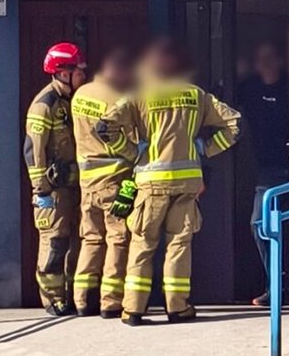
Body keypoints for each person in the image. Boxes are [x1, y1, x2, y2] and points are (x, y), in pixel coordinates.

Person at [98, 38, 243, 325]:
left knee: (142, 244)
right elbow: (234, 125)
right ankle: (177, 307)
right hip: (187, 183)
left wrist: (132, 152)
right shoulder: (196, 94)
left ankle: (133, 310)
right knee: (179, 245)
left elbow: (104, 126)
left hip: (150, 182)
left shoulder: (138, 94)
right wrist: (205, 149)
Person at [69, 45, 137, 318]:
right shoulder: (118, 100)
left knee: (91, 239)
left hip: (87, 182)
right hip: (114, 180)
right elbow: (130, 140)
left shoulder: (80, 95)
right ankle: (110, 302)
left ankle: (82, 300)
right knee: (118, 238)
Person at [25, 42, 87, 316]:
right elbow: (33, 150)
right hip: (53, 191)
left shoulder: (69, 101)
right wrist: (41, 190)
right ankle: (53, 299)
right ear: (63, 73)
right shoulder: (44, 105)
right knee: (54, 244)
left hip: (73, 187)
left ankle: (73, 296)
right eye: (78, 71)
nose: (83, 75)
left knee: (75, 241)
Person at [235, 40, 289, 303]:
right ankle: (276, 287)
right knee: (259, 225)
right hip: (265, 171)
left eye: (269, 58)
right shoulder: (249, 88)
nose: (264, 64)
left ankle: (288, 286)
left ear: (280, 61)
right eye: (260, 59)